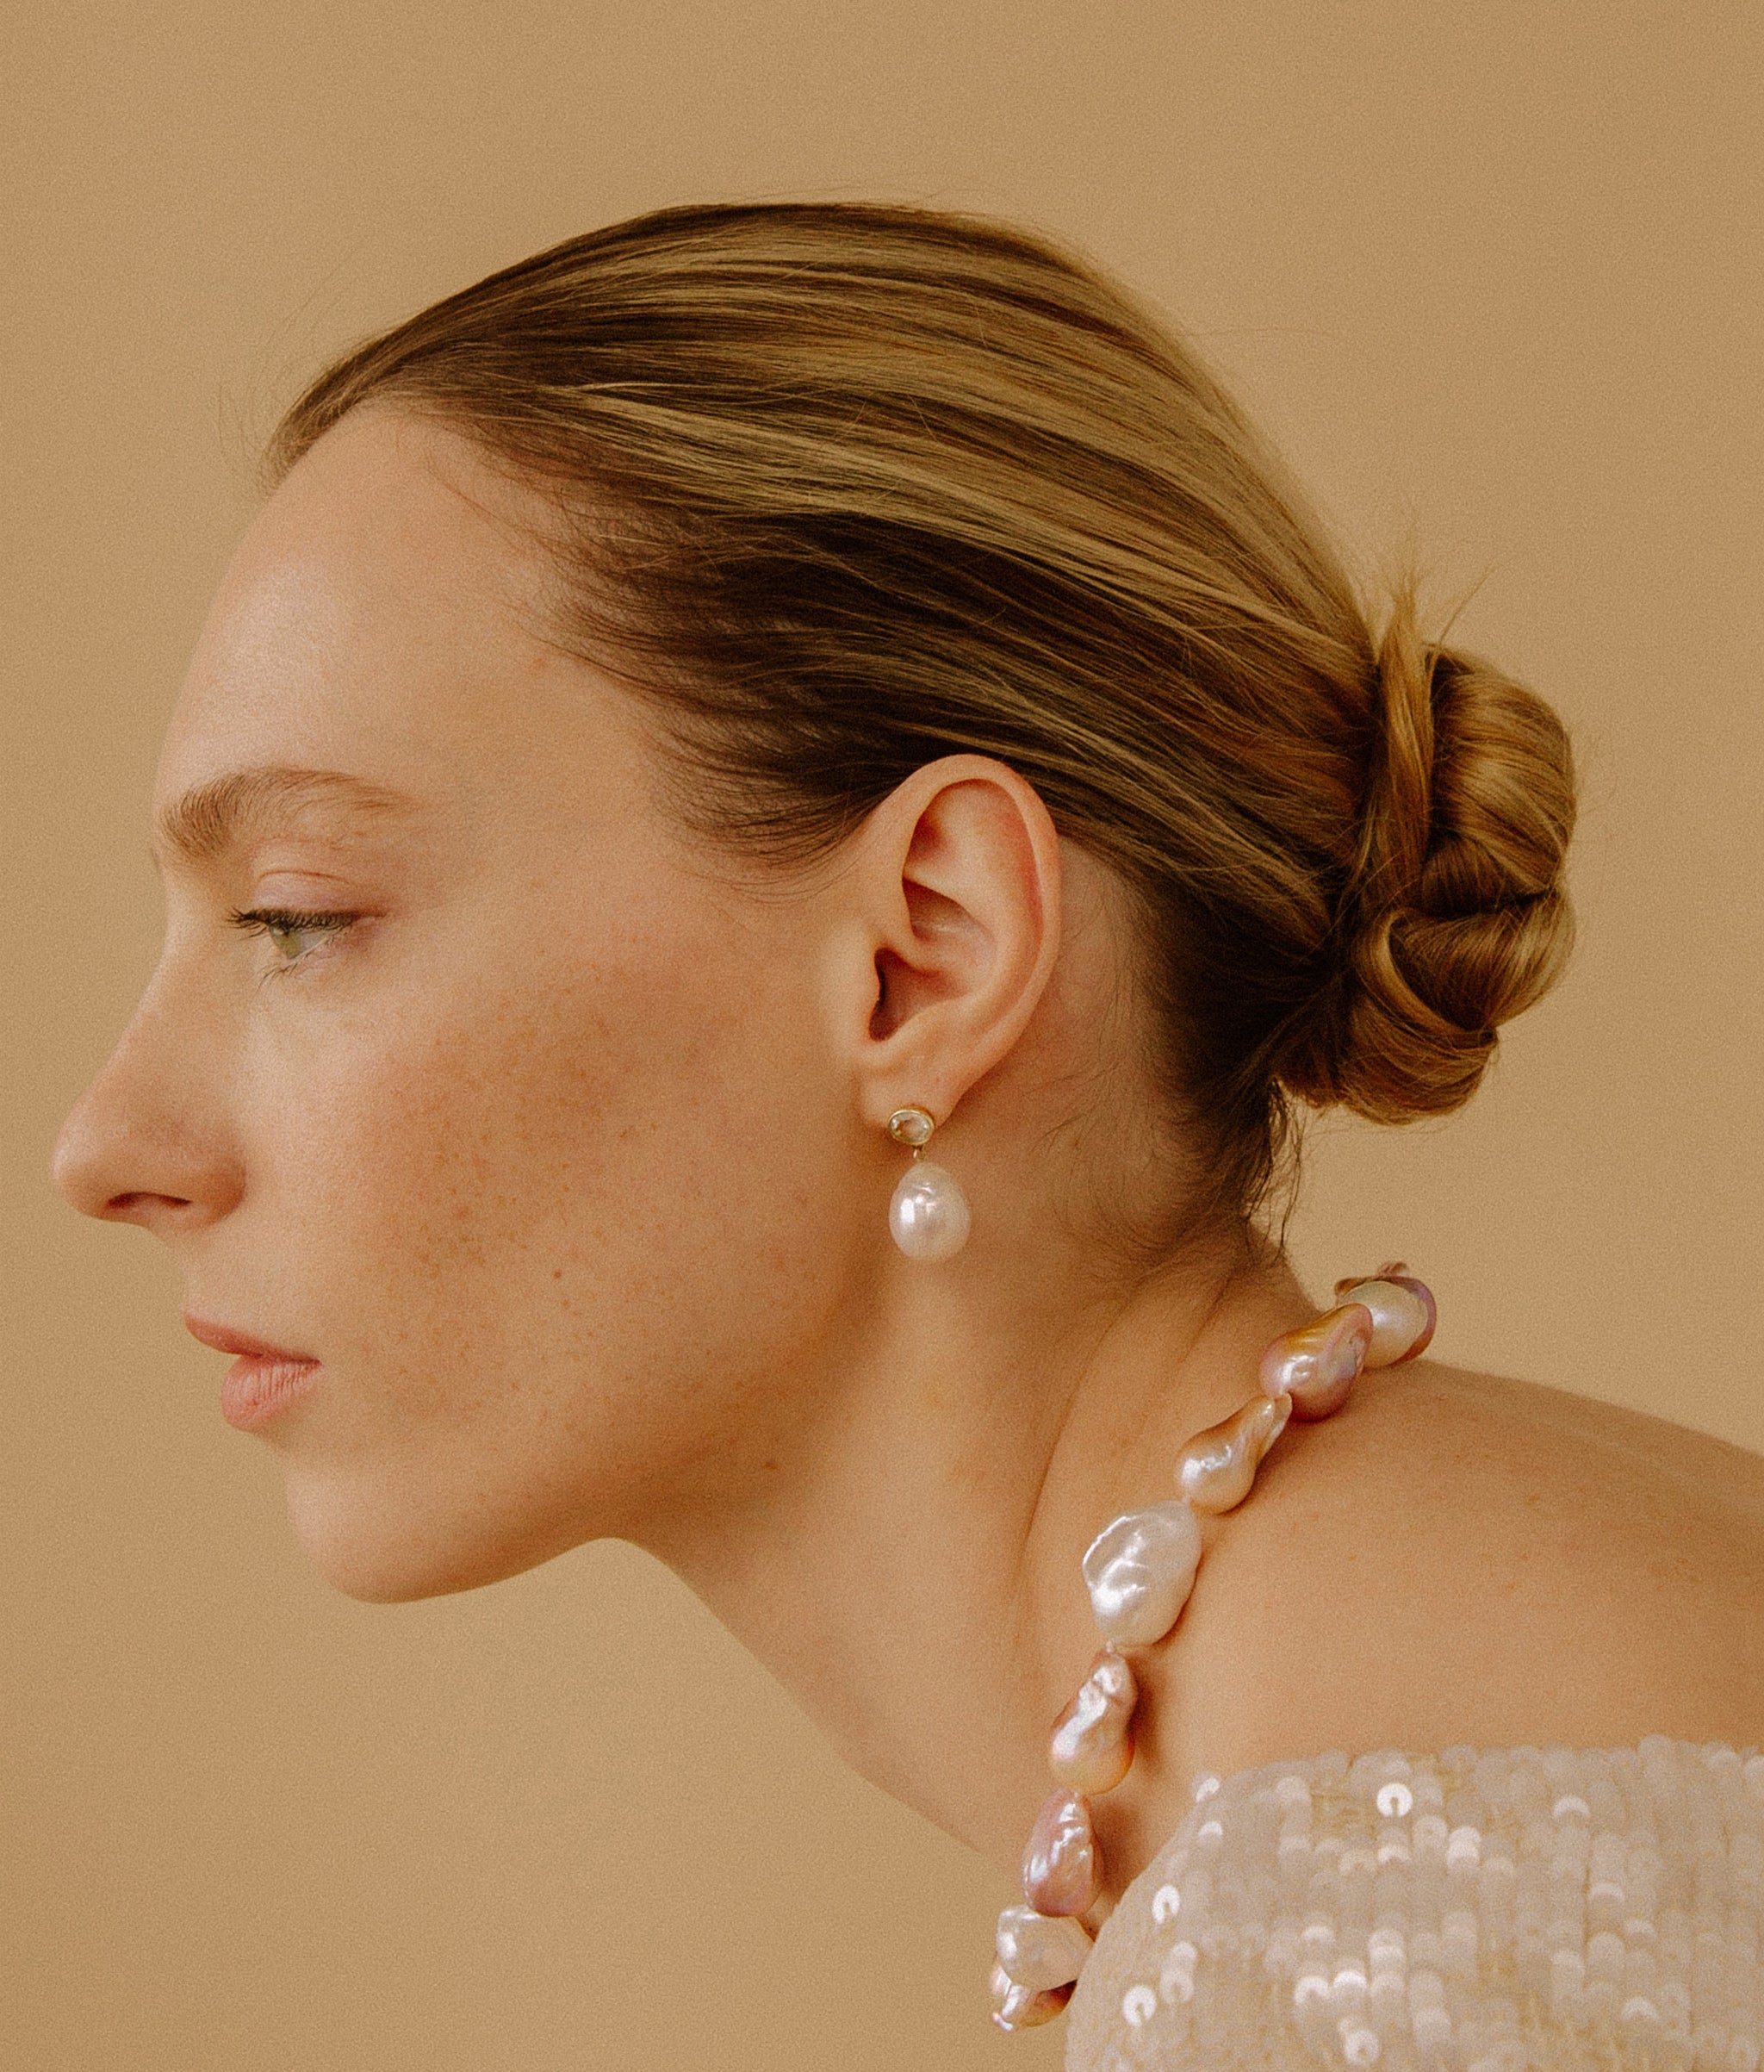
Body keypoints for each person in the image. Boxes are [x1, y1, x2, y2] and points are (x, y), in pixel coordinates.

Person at [52, 202, 1764, 2070]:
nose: (108, 1143)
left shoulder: (1393, 1886)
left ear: (923, 953)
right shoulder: (1407, 1755)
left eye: (298, 915)